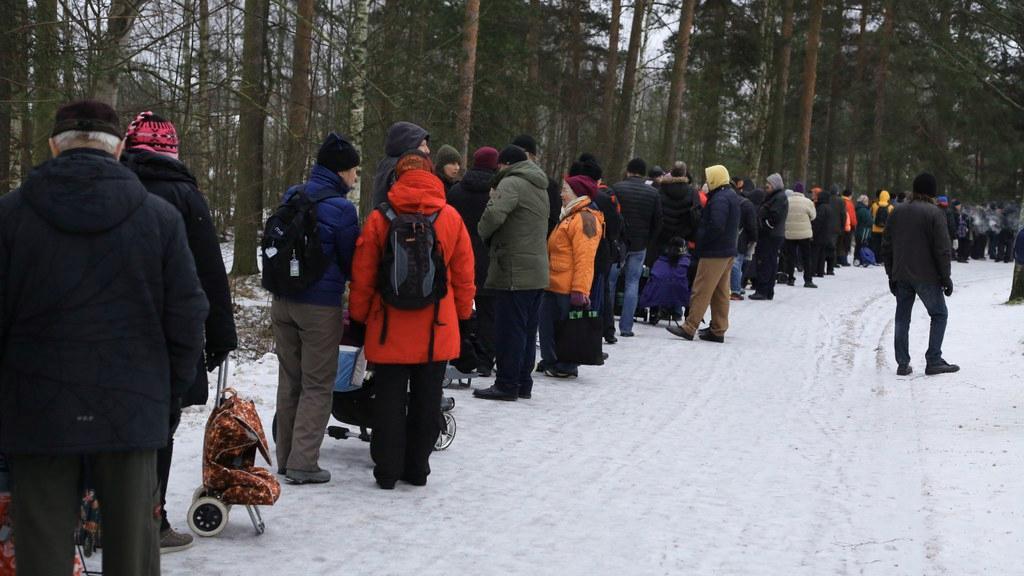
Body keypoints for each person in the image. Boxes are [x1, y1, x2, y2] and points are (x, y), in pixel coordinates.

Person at [0, 100, 208, 575]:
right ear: (118, 151)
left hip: (37, 411)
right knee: (133, 557)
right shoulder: (159, 219)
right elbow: (188, 315)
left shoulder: (10, 218)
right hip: (131, 409)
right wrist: (165, 392)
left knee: (41, 556)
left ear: (54, 146)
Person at [122, 111, 238, 552]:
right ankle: (152, 520)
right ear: (172, 151)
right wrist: (220, 335)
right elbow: (209, 271)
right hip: (166, 336)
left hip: (111, 335)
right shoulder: (185, 197)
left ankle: (95, 519)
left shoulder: (111, 188)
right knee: (159, 430)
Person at [349, 151, 475, 488]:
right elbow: (464, 274)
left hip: (389, 327)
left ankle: (387, 472)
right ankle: (417, 470)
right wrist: (462, 314)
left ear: (397, 177)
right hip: (437, 326)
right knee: (426, 400)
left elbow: (362, 276)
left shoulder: (380, 218)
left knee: (388, 400)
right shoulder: (450, 217)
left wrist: (360, 317)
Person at [272, 133, 360, 484]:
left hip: (283, 301)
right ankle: (303, 462)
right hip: (319, 308)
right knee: (318, 384)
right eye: (353, 171)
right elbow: (352, 261)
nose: (354, 178)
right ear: (341, 171)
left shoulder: (293, 194)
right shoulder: (342, 209)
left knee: (289, 380)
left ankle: (285, 457)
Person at [473, 145, 550, 401]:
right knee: (528, 330)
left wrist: (482, 232)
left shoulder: (511, 183)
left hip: (515, 270)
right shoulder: (539, 185)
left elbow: (494, 215)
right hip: (537, 269)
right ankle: (522, 382)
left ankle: (506, 384)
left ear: (505, 164)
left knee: (510, 330)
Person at [881, 172, 958, 376]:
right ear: (932, 192)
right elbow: (942, 249)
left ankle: (902, 363)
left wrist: (891, 273)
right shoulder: (935, 214)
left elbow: (886, 245)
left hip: (901, 274)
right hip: (927, 276)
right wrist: (946, 277)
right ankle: (933, 359)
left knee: (902, 319)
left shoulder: (896, 211)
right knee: (939, 314)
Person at [537, 176, 604, 378]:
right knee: (548, 325)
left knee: (568, 329)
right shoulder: (569, 215)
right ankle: (552, 360)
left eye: (565, 190)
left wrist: (580, 290)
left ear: (578, 194)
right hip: (553, 282)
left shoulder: (585, 219)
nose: (561, 194)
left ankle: (566, 364)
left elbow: (585, 259)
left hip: (567, 286)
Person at [667, 165, 740, 343]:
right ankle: (718, 328)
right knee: (720, 292)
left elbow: (716, 225)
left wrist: (701, 240)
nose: (707, 182)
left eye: (709, 178)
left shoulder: (720, 199)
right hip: (727, 250)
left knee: (701, 289)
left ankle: (690, 326)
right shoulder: (730, 195)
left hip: (714, 252)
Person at [448, 146, 500, 375]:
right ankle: (485, 360)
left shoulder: (456, 191)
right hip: (490, 259)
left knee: (462, 309)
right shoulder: (497, 193)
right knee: (489, 314)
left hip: (460, 258)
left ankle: (461, 355)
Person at [607, 158, 661, 337]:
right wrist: (648, 241)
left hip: (618, 243)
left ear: (628, 171)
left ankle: (607, 325)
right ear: (643, 173)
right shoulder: (653, 193)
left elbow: (611, 215)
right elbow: (658, 222)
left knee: (611, 282)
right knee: (632, 283)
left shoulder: (616, 188)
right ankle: (626, 327)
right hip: (640, 244)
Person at [647, 163, 698, 318]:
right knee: (679, 273)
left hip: (662, 236)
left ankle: (655, 307)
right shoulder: (691, 192)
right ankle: (676, 310)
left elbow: (655, 213)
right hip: (681, 238)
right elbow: (695, 216)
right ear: (685, 174)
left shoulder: (660, 190)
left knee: (658, 273)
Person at [749, 173, 788, 300]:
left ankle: (763, 290)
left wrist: (765, 225)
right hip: (771, 234)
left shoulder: (779, 198)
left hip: (770, 235)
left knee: (765, 262)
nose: (766, 186)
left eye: (769, 184)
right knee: (769, 262)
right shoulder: (774, 197)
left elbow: (775, 216)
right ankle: (766, 290)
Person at [513, 134, 563, 234]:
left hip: (536, 243)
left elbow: (553, 219)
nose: (515, 155)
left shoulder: (549, 185)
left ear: (532, 156)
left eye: (520, 152)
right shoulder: (508, 180)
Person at [372, 121, 430, 205]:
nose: (427, 150)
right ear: (409, 146)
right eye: (422, 145)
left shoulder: (386, 164)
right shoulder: (400, 168)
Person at [783, 185, 817, 288]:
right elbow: (813, 216)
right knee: (806, 257)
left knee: (791, 256)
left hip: (790, 232)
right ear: (802, 191)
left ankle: (790, 278)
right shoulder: (808, 202)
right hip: (804, 233)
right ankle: (808, 280)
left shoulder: (787, 201)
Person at [731, 188, 758, 300]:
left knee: (736, 264)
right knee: (739, 263)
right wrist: (753, 239)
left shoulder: (734, 202)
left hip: (735, 237)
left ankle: (736, 289)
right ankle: (738, 287)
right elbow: (752, 225)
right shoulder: (747, 205)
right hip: (743, 238)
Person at [812, 187, 839, 277]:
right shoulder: (829, 207)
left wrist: (814, 231)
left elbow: (818, 221)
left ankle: (814, 270)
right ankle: (820, 271)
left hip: (820, 233)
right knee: (822, 253)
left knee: (816, 252)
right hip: (828, 234)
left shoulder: (821, 208)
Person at [870, 190, 894, 256]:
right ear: (888, 197)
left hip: (875, 228)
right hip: (885, 229)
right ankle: (881, 259)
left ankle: (875, 258)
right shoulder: (890, 207)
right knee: (883, 245)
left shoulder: (874, 205)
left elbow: (871, 215)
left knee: (875, 244)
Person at [838, 189, 858, 266]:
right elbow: (852, 216)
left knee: (839, 243)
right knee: (846, 244)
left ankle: (838, 259)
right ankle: (844, 260)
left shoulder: (840, 200)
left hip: (839, 225)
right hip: (848, 226)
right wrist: (854, 224)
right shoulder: (849, 203)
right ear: (849, 195)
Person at [854, 194, 873, 265]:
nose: (867, 202)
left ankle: (856, 259)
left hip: (859, 229)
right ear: (864, 201)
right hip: (864, 231)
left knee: (858, 245)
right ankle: (861, 259)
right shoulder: (864, 210)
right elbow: (870, 221)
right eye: (866, 201)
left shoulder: (858, 208)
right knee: (862, 245)